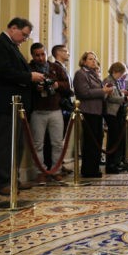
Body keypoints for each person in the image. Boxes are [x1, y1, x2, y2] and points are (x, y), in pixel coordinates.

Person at [0, 17, 45, 195]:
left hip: (17, 105)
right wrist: (29, 77)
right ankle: (3, 182)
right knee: (5, 145)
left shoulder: (13, 47)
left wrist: (33, 82)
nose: (25, 39)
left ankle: (14, 179)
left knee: (17, 144)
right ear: (13, 28)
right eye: (24, 35)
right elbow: (4, 71)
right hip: (6, 103)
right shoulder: (1, 44)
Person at [29, 42, 70, 183]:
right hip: (38, 111)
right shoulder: (30, 69)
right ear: (33, 56)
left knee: (57, 143)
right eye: (37, 55)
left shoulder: (55, 68)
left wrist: (57, 84)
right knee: (38, 144)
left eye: (43, 54)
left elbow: (67, 86)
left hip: (55, 110)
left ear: (47, 54)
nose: (41, 58)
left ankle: (56, 170)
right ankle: (40, 172)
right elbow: (24, 86)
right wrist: (36, 88)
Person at [73, 51, 113, 178]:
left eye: (95, 59)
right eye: (90, 59)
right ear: (84, 61)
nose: (93, 61)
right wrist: (102, 91)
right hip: (88, 111)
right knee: (90, 142)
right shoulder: (81, 74)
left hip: (97, 111)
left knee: (97, 140)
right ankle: (88, 170)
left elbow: (99, 93)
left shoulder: (94, 74)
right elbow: (83, 93)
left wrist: (106, 92)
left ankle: (94, 168)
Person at [103, 62, 128, 174]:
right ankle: (110, 165)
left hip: (117, 113)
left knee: (118, 139)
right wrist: (126, 99)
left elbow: (116, 95)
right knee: (113, 140)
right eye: (121, 73)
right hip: (111, 113)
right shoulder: (108, 81)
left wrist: (122, 94)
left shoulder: (115, 81)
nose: (122, 76)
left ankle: (116, 162)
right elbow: (111, 98)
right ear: (116, 71)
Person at [52, 44, 75, 175]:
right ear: (58, 53)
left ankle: (60, 164)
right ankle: (56, 166)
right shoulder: (54, 67)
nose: (68, 54)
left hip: (66, 105)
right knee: (57, 139)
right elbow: (61, 86)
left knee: (61, 139)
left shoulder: (63, 67)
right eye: (66, 51)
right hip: (60, 105)